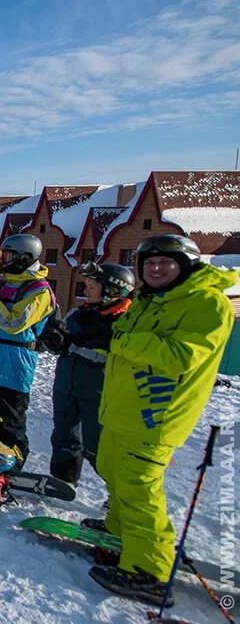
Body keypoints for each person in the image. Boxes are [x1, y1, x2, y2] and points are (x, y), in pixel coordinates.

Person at [87, 235, 237, 604]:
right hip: (123, 408)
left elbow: (181, 355)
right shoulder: (150, 299)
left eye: (164, 263)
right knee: (112, 471)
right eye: (148, 263)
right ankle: (120, 531)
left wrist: (111, 339)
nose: (155, 269)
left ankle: (148, 572)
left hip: (156, 414)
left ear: (185, 266)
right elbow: (122, 336)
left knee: (139, 489)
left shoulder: (206, 303)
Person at [39, 262, 134, 487]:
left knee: (97, 445)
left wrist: (72, 344)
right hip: (66, 386)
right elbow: (64, 342)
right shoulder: (78, 313)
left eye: (93, 286)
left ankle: (121, 490)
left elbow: (114, 357)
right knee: (64, 437)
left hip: (97, 392)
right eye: (87, 285)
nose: (86, 290)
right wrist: (54, 340)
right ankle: (64, 481)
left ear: (114, 290)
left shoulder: (124, 323)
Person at [0, 234, 55, 467]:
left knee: (9, 418)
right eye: (3, 255)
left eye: (9, 256)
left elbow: (14, 324)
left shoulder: (39, 291)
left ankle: (13, 462)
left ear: (26, 257)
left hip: (14, 361)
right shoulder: (3, 283)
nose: (4, 261)